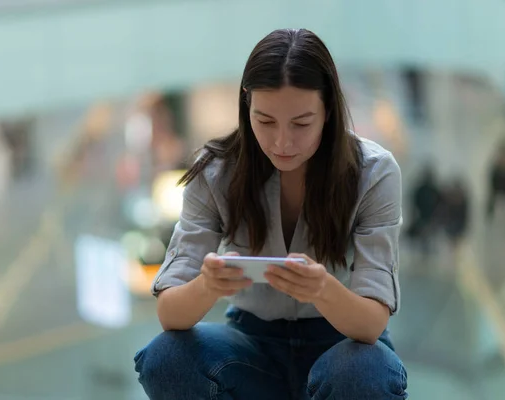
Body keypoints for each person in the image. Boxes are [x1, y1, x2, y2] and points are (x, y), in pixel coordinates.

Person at [134, 28, 408, 400]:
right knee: (164, 357)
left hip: (342, 341)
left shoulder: (373, 172)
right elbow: (170, 313)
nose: (282, 142)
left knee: (364, 371)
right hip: (251, 342)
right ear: (246, 105)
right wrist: (208, 286)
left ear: (328, 108)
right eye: (265, 121)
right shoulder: (216, 171)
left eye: (300, 123)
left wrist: (322, 289)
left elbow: (371, 325)